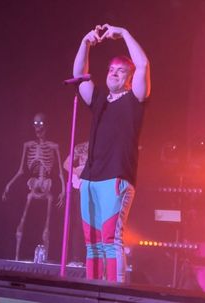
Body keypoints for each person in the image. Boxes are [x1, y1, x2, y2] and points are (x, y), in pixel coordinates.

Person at [73, 24, 151, 282]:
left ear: (128, 77)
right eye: (111, 69)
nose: (114, 73)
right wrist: (86, 42)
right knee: (92, 243)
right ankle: (92, 291)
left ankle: (113, 295)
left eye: (121, 70)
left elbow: (144, 66)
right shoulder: (99, 101)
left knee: (110, 239)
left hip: (116, 177)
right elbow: (79, 75)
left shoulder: (134, 100)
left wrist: (125, 33)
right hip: (90, 178)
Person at [2, 113, 65, 261]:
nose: (37, 128)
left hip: (46, 184)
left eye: (41, 124)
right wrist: (8, 185)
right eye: (35, 124)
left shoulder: (54, 146)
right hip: (34, 183)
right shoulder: (28, 145)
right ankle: (16, 258)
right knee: (22, 219)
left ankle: (43, 259)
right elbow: (21, 170)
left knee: (47, 223)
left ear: (47, 126)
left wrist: (63, 191)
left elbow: (61, 173)